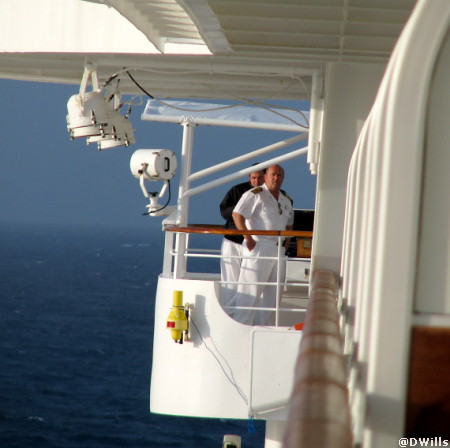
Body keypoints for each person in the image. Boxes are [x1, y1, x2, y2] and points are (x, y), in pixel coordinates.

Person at [231, 165, 294, 325]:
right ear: (265, 177)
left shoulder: (285, 199)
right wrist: (249, 239)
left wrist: (287, 242)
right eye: (273, 174)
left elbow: (289, 223)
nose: (276, 178)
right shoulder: (255, 195)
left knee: (273, 299)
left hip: (278, 251)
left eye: (279, 175)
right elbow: (237, 214)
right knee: (249, 294)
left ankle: (267, 332)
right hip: (259, 247)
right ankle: (240, 331)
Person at [219, 167, 265, 310]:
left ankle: (248, 313)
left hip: (256, 244)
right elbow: (224, 210)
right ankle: (230, 313)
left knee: (251, 281)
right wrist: (241, 210)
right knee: (230, 282)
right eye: (253, 178)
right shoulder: (237, 191)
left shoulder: (273, 195)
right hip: (234, 241)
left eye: (259, 178)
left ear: (265, 177)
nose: (256, 181)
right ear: (249, 177)